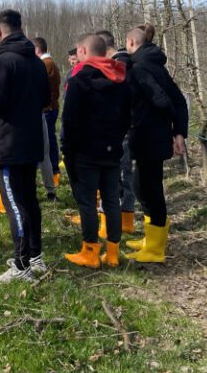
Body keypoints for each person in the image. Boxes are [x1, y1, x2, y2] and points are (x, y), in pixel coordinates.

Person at [0, 9, 50, 283]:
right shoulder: (35, 62)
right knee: (30, 199)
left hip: (7, 144)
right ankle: (35, 256)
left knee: (14, 204)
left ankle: (21, 267)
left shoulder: (3, 61)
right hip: (31, 140)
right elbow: (45, 98)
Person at [61, 33, 131, 268]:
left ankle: (90, 251)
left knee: (87, 202)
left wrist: (68, 150)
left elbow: (69, 120)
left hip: (85, 151)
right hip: (112, 149)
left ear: (82, 51)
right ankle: (113, 253)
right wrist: (116, 139)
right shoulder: (120, 78)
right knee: (111, 200)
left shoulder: (79, 80)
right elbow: (126, 117)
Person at [124, 27, 188, 263]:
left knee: (150, 190)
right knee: (143, 187)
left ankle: (155, 249)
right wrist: (178, 131)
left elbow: (164, 101)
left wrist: (146, 119)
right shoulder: (155, 65)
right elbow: (179, 100)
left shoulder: (140, 69)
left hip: (150, 137)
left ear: (131, 42)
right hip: (152, 136)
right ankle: (151, 240)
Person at [96, 30, 136, 236]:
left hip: (120, 130)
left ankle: (119, 221)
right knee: (122, 173)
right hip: (121, 128)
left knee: (118, 175)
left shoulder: (120, 66)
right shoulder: (124, 63)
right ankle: (124, 219)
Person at [33, 37, 61, 201]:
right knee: (49, 143)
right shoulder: (48, 63)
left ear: (37, 50)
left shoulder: (45, 64)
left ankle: (53, 178)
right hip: (50, 106)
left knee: (47, 146)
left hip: (47, 109)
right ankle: (52, 178)